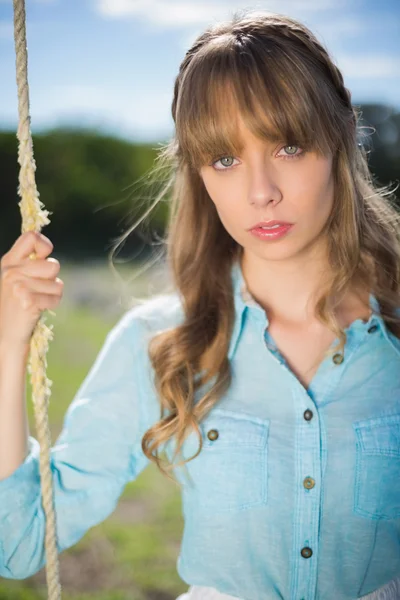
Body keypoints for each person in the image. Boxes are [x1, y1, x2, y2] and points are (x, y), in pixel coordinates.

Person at [1, 8, 400, 600]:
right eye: (225, 159)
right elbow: (20, 543)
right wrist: (9, 342)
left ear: (340, 138)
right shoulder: (160, 343)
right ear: (199, 173)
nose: (261, 191)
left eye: (289, 146)